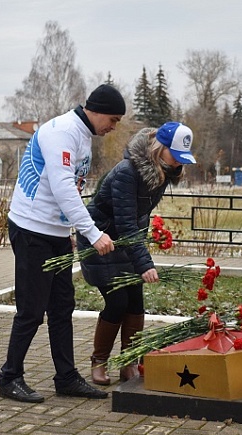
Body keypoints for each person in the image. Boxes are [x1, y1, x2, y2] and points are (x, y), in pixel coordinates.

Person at [0, 84, 124, 403]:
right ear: (95, 111)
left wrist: (69, 230)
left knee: (61, 306)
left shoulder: (83, 134)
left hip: (54, 232)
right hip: (30, 229)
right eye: (113, 118)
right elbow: (63, 186)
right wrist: (92, 234)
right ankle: (9, 377)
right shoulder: (62, 131)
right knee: (31, 309)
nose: (113, 126)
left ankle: (66, 377)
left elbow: (73, 188)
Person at [78, 121, 195, 385]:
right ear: (158, 147)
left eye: (181, 159)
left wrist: (142, 248)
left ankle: (129, 363)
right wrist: (144, 263)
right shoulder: (127, 173)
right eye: (174, 156)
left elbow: (139, 217)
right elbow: (126, 222)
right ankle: (100, 361)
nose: (178, 163)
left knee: (136, 303)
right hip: (102, 241)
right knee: (117, 302)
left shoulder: (163, 172)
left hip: (126, 243)